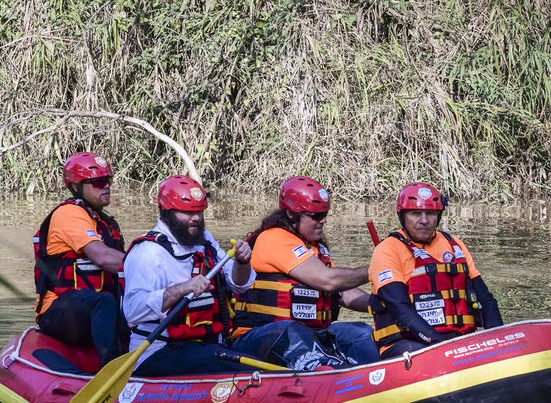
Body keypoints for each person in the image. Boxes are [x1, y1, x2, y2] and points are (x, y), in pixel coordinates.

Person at [122, 175, 330, 376]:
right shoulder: (147, 252)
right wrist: (183, 288)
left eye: (199, 211)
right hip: (159, 352)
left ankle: (318, 371)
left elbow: (240, 285)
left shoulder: (205, 243)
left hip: (210, 345)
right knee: (240, 366)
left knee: (282, 333)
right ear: (166, 212)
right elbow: (132, 311)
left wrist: (242, 262)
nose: (195, 219)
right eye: (186, 212)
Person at [232, 176, 381, 366]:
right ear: (292, 214)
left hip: (310, 333)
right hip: (262, 335)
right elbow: (329, 280)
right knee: (292, 331)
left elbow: (342, 292)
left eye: (325, 214)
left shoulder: (314, 248)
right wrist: (380, 269)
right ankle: (326, 374)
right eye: (316, 216)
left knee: (360, 332)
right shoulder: (273, 239)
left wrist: (382, 302)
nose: (323, 221)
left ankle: (377, 373)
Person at [368, 182, 503, 356]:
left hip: (457, 339)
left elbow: (486, 300)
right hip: (408, 343)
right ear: (402, 216)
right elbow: (400, 309)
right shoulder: (387, 250)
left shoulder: (454, 245)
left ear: (438, 215)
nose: (424, 221)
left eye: (430, 213)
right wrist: (439, 344)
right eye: (415, 214)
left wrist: (498, 339)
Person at [33, 152, 128, 366]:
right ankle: (112, 370)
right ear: (76, 187)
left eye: (108, 180)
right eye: (97, 182)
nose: (106, 186)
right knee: (103, 301)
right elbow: (102, 257)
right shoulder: (69, 213)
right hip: (59, 311)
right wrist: (147, 268)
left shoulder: (102, 221)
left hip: (96, 312)